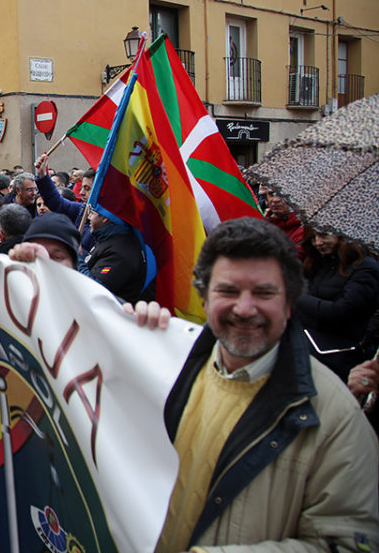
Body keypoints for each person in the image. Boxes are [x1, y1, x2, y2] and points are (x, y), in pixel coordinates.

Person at [154, 217, 379, 551]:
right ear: (203, 298)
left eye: (263, 293)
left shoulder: (338, 420)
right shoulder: (168, 368)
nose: (245, 309)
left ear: (290, 303)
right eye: (228, 291)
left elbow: (347, 543)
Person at [294, 231, 379, 381]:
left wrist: (296, 296)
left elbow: (341, 311)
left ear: (341, 235)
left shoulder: (366, 268)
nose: (318, 242)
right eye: (314, 238)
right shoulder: (323, 261)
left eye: (324, 235)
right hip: (311, 337)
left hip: (340, 350)